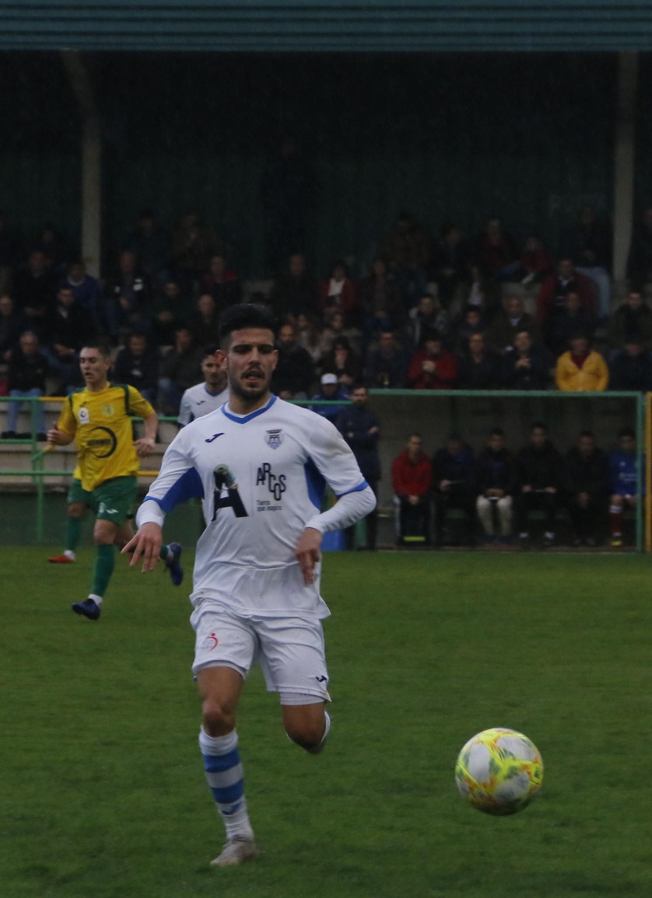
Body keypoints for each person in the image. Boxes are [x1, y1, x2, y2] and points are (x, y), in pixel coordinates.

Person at [123, 302, 375, 867]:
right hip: (223, 593)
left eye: (263, 349)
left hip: (292, 595)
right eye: (243, 350)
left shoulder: (309, 427)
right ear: (223, 359)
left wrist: (318, 525)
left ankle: (315, 715)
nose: (253, 359)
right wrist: (150, 524)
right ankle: (239, 836)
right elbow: (158, 495)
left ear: (276, 358)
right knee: (216, 711)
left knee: (306, 734)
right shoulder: (196, 435)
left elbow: (361, 495)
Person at [46, 342, 161, 620]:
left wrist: (149, 437)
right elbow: (67, 434)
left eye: (93, 361)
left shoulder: (123, 394)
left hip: (120, 476)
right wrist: (59, 439)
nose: (87, 366)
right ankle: (169, 554)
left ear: (107, 364)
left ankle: (94, 601)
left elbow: (150, 414)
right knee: (127, 541)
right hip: (90, 480)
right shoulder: (74, 400)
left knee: (101, 535)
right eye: (83, 361)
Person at [332, 386, 382, 550]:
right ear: (352, 396)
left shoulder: (373, 416)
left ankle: (371, 545)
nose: (359, 398)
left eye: (362, 395)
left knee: (371, 507)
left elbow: (374, 439)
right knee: (349, 507)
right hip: (349, 469)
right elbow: (342, 440)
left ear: (367, 397)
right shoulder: (345, 416)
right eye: (357, 395)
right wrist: (366, 435)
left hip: (369, 468)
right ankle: (348, 546)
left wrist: (355, 435)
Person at [564, 431, 611, 546]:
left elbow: (603, 480)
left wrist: (588, 494)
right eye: (583, 444)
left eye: (589, 444)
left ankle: (594, 536)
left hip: (595, 494)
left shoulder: (601, 457)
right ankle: (576, 536)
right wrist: (579, 494)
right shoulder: (570, 457)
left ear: (594, 445)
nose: (586, 447)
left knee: (600, 503)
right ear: (578, 444)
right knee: (571, 503)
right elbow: (567, 479)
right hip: (575, 494)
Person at [1, 330, 49, 439]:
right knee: (14, 396)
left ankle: (40, 431)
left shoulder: (42, 359)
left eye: (32, 344)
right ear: (21, 345)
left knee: (36, 395)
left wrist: (26, 377)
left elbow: (39, 381)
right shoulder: (14, 358)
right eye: (26, 344)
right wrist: (30, 376)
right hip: (18, 389)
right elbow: (13, 379)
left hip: (33, 389)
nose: (29, 347)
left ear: (36, 345)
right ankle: (10, 430)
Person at [473, 429, 517, 545]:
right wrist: (485, 490)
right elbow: (477, 478)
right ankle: (489, 534)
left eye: (499, 440)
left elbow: (514, 479)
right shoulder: (482, 457)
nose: (497, 443)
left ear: (503, 442)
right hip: (486, 493)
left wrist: (504, 491)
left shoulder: (509, 457)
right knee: (482, 505)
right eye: (494, 440)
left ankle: (505, 534)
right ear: (489, 441)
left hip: (505, 493)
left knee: (503, 506)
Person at [431, 435, 476, 545]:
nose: (454, 448)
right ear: (447, 445)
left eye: (456, 445)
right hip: (445, 494)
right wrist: (440, 484)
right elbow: (433, 478)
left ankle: (470, 538)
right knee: (438, 502)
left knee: (471, 502)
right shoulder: (440, 456)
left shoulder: (468, 457)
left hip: (462, 493)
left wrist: (456, 484)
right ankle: (439, 538)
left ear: (461, 446)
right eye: (451, 445)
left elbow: (471, 479)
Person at [391, 433, 433, 545]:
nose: (416, 446)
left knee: (428, 505)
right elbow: (397, 483)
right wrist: (408, 496)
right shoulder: (398, 462)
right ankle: (401, 537)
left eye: (418, 444)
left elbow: (427, 483)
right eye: (414, 443)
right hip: (404, 495)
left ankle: (426, 538)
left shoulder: (426, 462)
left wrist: (418, 495)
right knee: (400, 505)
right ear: (408, 444)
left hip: (420, 495)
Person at [607, 428, 642, 548]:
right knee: (615, 499)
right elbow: (612, 481)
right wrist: (626, 496)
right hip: (622, 495)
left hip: (638, 496)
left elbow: (647, 481)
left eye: (629, 441)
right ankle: (617, 535)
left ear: (635, 442)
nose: (626, 444)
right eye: (624, 441)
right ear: (620, 443)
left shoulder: (642, 458)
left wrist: (639, 494)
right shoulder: (614, 459)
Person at [177, 346, 229, 425]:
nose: (214, 371)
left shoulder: (236, 394)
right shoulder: (190, 395)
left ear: (225, 366)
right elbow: (184, 427)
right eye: (209, 365)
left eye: (218, 366)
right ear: (202, 367)